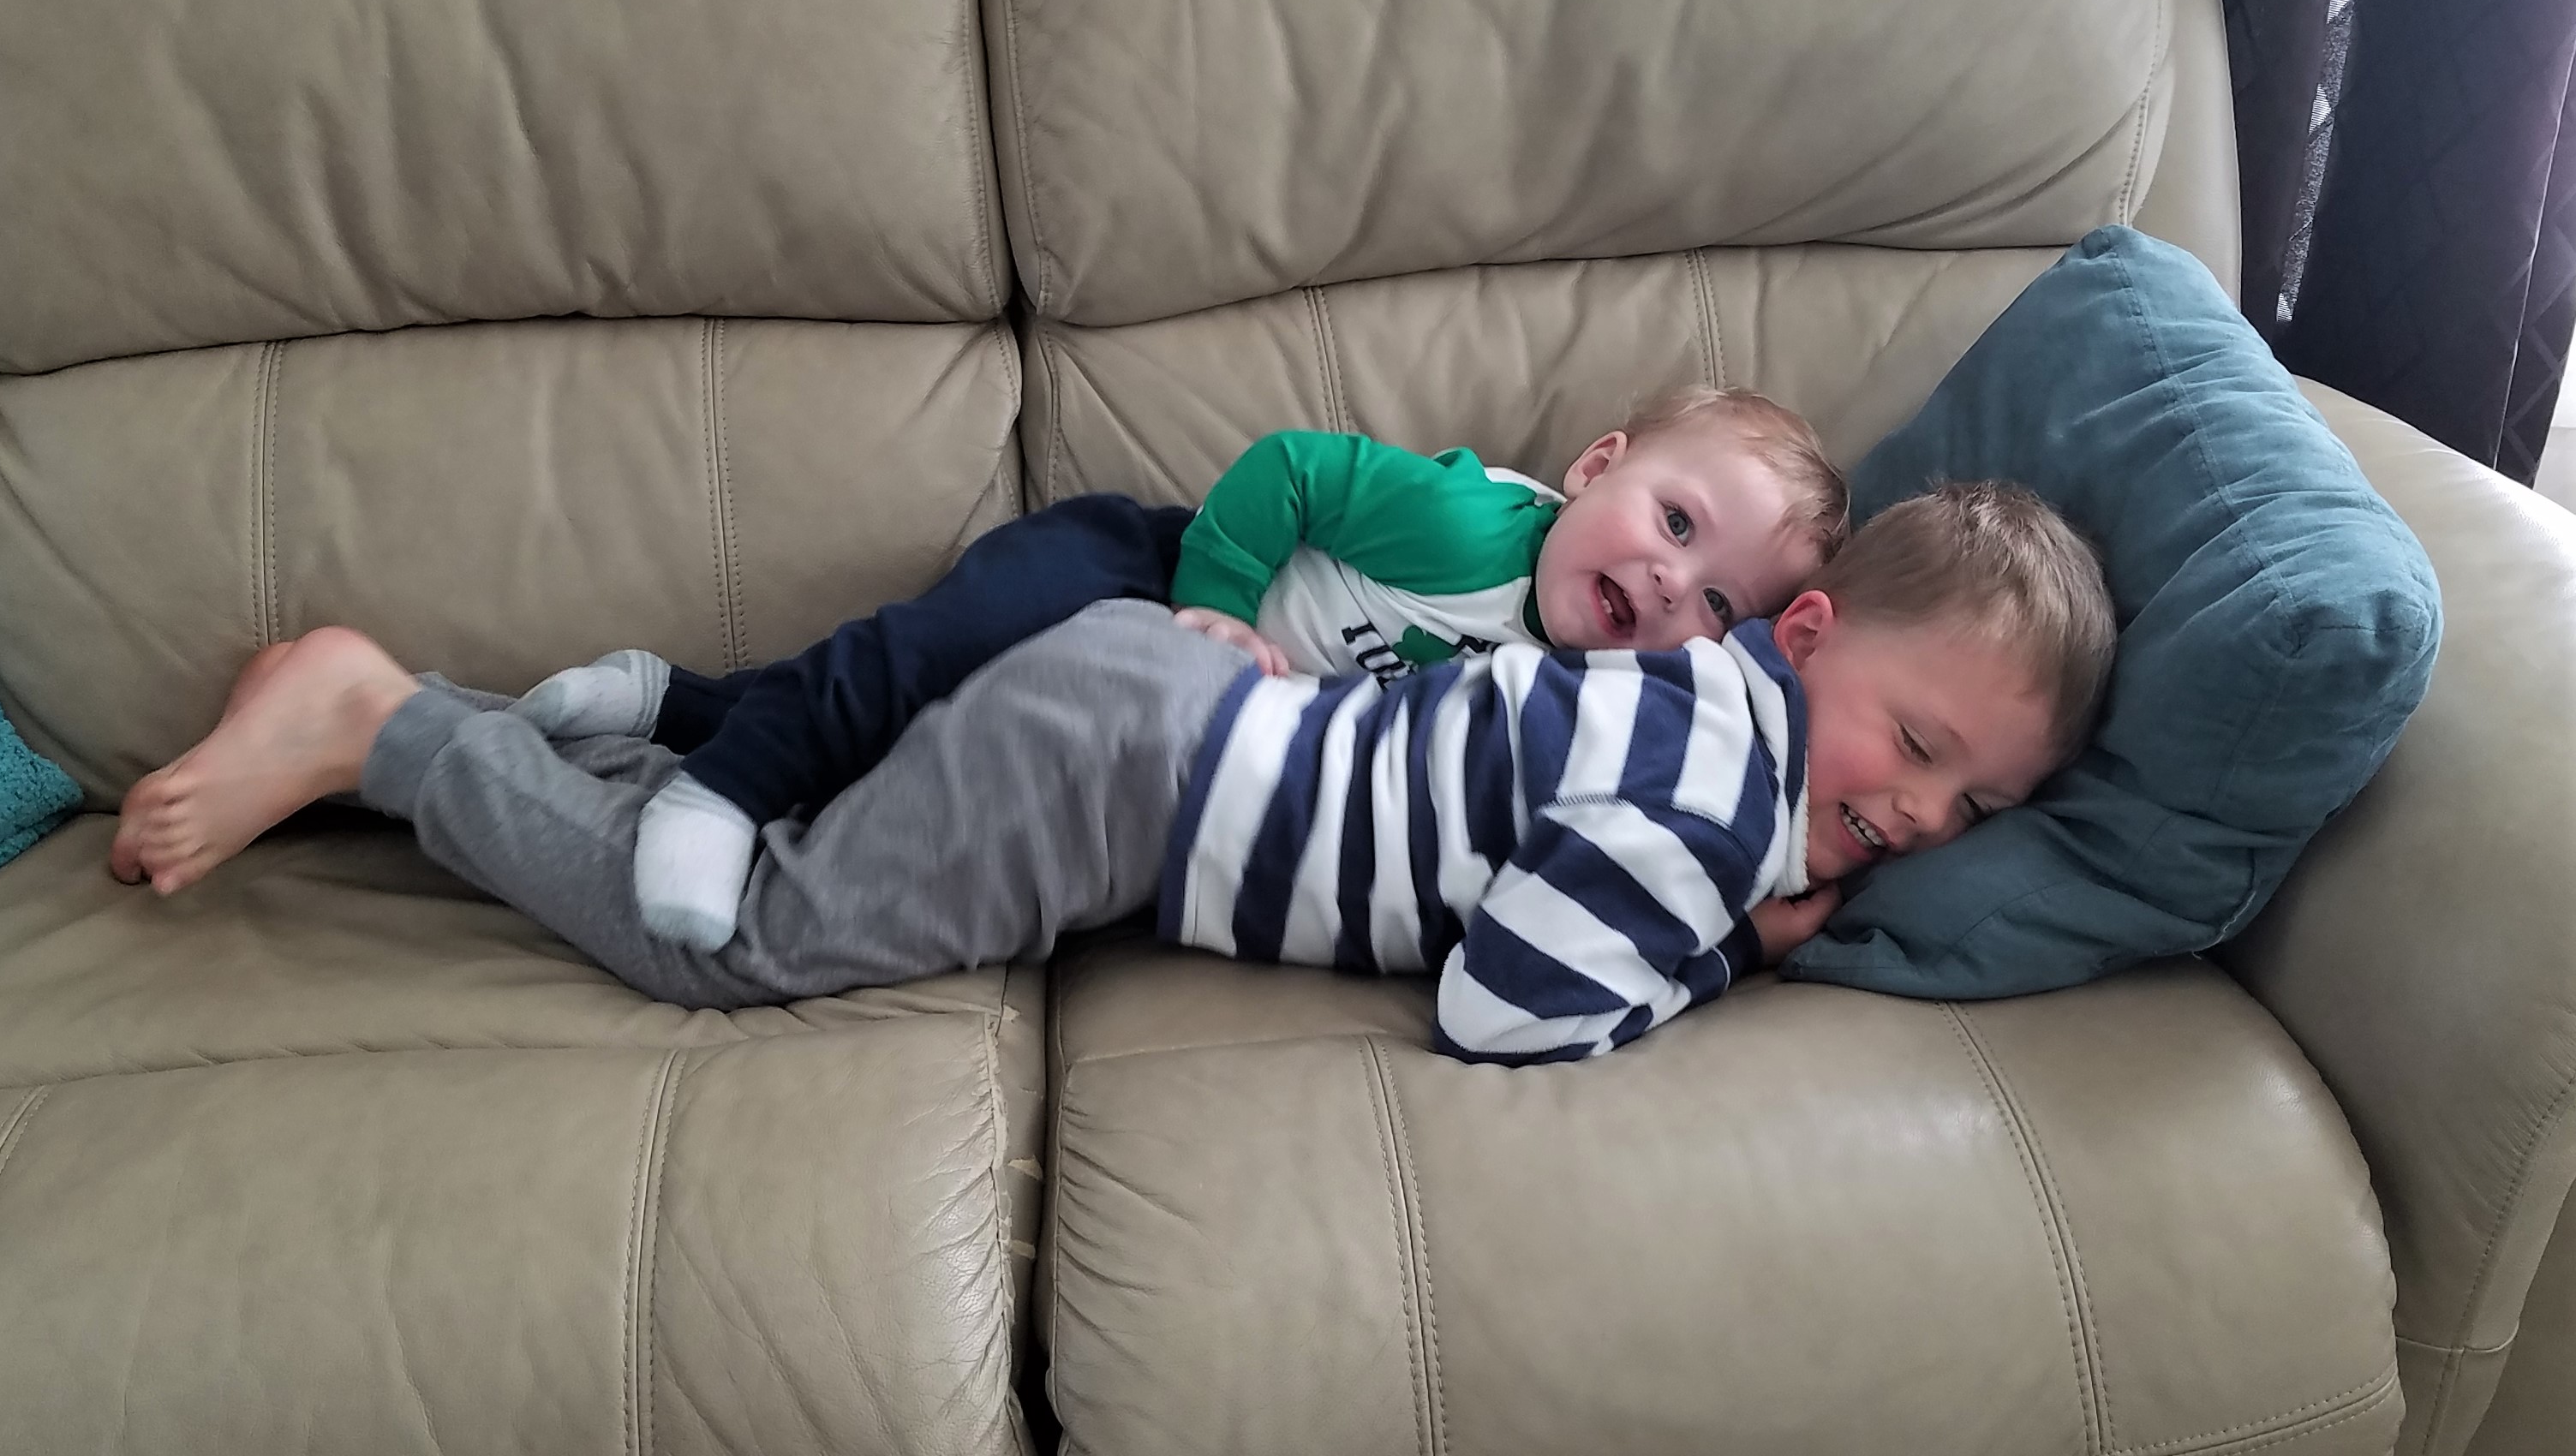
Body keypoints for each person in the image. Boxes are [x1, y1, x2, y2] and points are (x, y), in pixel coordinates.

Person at [105, 479, 2113, 1066]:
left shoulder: (1683, 701)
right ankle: (384, 728)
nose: (1920, 817)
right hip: (1123, 786)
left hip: (1148, 712)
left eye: (1972, 807)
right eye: (1918, 747)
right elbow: (1505, 1009)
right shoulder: (1710, 816)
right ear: (1804, 633)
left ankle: (499, 725)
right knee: (733, 944)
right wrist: (1733, 951)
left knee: (805, 837)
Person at [505, 385, 1847, 950]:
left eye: (1714, 600)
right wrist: (1213, 605)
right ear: (1598, 467)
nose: (1667, 584)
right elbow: (1291, 469)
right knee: (926, 661)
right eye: (1675, 524)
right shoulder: (1468, 526)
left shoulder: (1595, 705)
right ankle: (723, 790)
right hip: (1143, 571)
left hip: (1179, 730)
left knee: (919, 760)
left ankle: (674, 706)